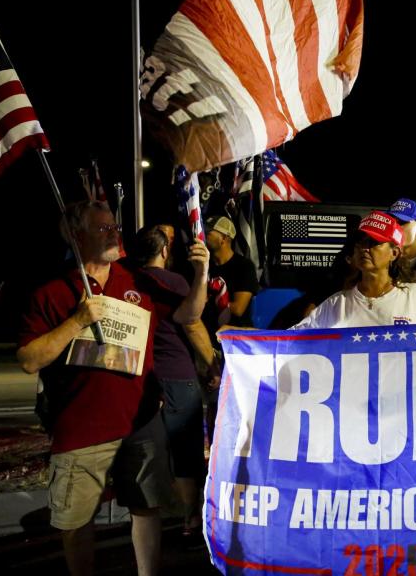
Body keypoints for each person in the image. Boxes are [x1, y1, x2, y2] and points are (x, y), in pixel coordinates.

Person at [16, 201, 209, 576]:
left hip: (141, 422)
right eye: (102, 228)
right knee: (76, 522)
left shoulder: (137, 280)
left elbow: (188, 315)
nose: (113, 233)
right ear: (76, 235)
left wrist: (201, 275)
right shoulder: (52, 292)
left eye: (113, 227)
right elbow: (29, 359)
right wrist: (77, 320)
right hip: (81, 429)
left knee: (146, 507)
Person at [130, 226, 208, 538]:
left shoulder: (128, 281)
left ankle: (151, 515)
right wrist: (201, 275)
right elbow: (191, 319)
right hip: (178, 375)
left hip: (144, 375)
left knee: (149, 451)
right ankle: (191, 520)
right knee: (186, 452)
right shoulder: (172, 281)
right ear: (164, 251)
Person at [290, 210, 416, 329]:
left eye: (373, 243)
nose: (364, 248)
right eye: (360, 242)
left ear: (394, 253)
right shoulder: (336, 304)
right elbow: (293, 340)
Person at [204, 216, 259, 329]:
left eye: (208, 233)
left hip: (234, 334)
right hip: (208, 332)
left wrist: (207, 302)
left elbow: (238, 309)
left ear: (223, 238)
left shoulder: (244, 267)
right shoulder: (204, 265)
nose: (203, 236)